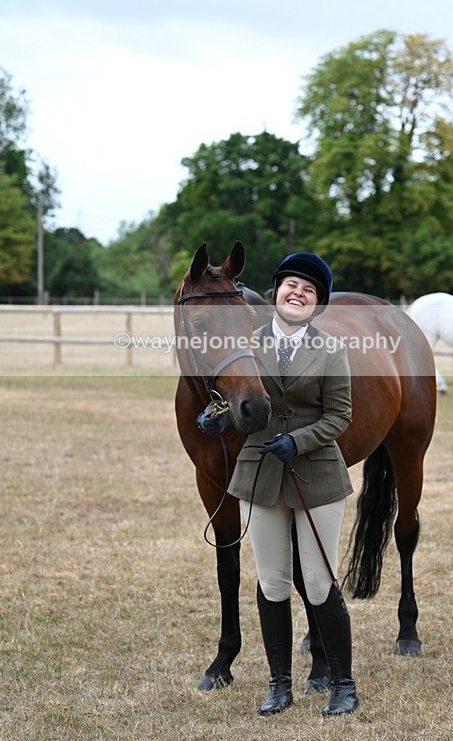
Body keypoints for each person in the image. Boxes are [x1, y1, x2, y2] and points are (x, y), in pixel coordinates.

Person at [196, 252, 358, 717]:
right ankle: (279, 685)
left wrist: (299, 440)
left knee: (318, 579)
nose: (298, 293)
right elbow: (233, 392)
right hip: (261, 472)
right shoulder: (246, 341)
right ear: (276, 292)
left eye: (308, 290)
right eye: (291, 285)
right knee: (271, 582)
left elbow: (341, 415)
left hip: (317, 473)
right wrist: (214, 415)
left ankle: (342, 685)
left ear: (317, 303)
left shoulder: (331, 349)